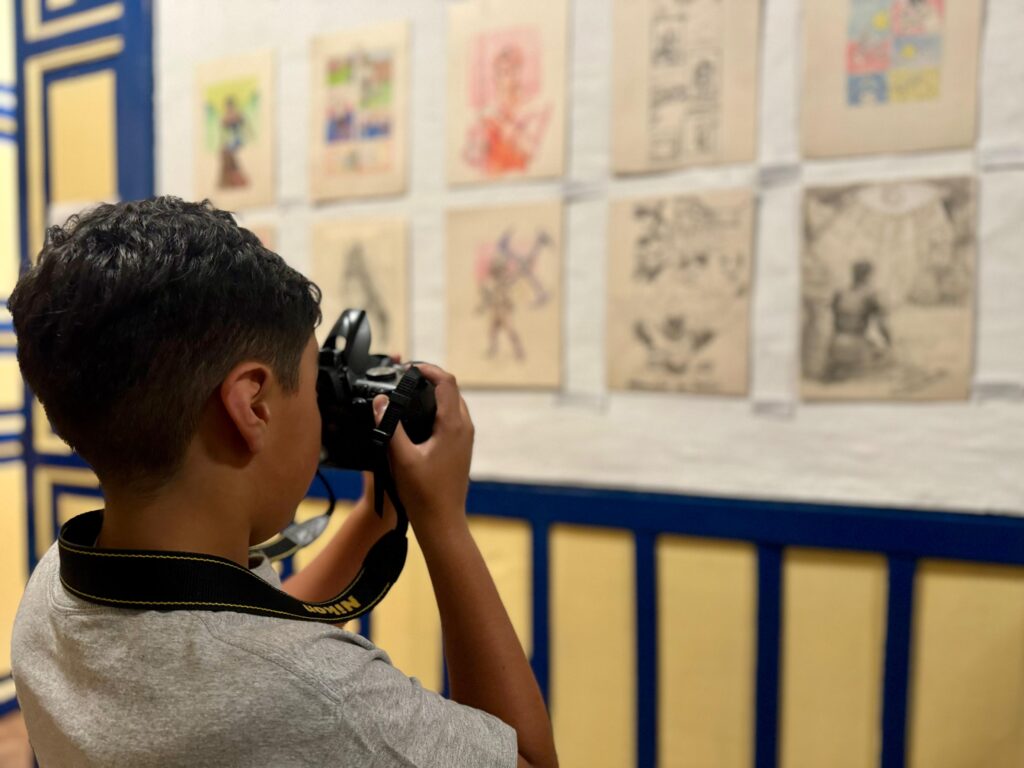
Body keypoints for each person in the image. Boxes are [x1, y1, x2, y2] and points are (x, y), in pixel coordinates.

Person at [8, 197, 558, 768]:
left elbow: (239, 633)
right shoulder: (328, 701)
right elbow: (530, 760)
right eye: (310, 384)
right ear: (253, 406)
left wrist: (380, 516)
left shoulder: (54, 592)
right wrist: (444, 522)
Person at [825, 260, 892, 382]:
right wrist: (889, 344)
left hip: (836, 346)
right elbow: (882, 325)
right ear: (868, 276)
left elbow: (834, 323)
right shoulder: (871, 295)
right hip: (856, 347)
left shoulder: (839, 293)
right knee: (887, 362)